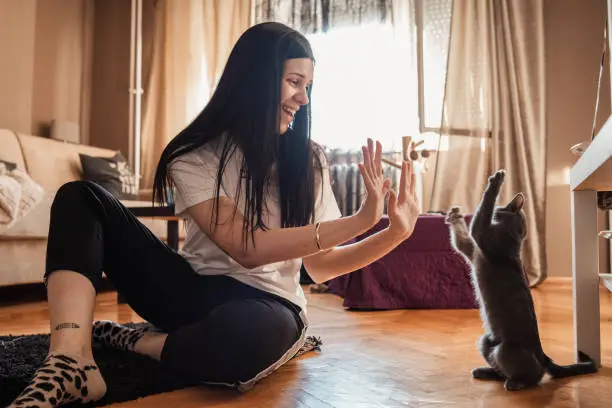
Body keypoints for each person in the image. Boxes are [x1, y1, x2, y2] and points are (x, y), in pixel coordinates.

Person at [8, 22, 420, 408]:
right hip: (191, 293)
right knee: (80, 196)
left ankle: (136, 342)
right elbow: (246, 248)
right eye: (294, 82)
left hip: (269, 304)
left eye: (308, 86)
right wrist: (358, 221)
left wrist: (391, 234)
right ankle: (71, 359)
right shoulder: (195, 155)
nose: (304, 98)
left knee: (244, 340)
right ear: (256, 80)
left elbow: (319, 266)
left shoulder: (310, 160)